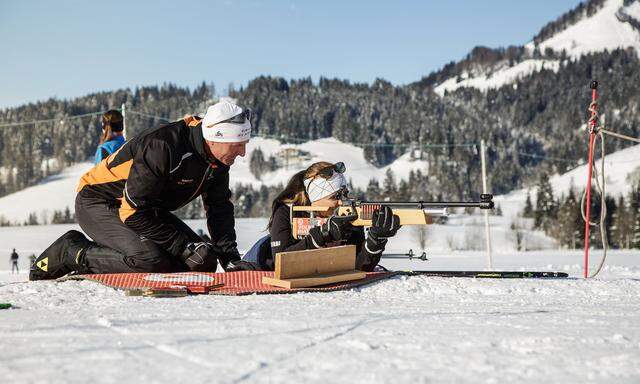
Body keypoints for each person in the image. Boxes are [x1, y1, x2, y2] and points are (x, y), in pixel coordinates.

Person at [30, 101, 253, 280]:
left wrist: (229, 259)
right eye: (238, 144)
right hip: (99, 202)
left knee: (203, 262)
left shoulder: (218, 161)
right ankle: (72, 252)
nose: (242, 152)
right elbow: (132, 212)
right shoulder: (163, 145)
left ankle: (118, 252)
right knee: (151, 260)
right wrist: (182, 245)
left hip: (145, 210)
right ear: (215, 138)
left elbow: (219, 208)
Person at [243, 161, 401, 271]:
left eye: (344, 195)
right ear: (314, 199)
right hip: (259, 264)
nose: (341, 202)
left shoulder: (347, 213)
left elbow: (359, 267)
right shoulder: (286, 211)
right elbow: (281, 261)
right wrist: (324, 234)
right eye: (335, 197)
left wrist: (375, 241)